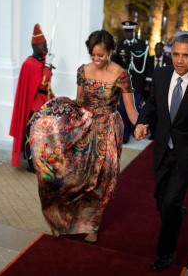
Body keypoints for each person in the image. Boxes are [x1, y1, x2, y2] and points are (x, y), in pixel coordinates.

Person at [29, 29, 139, 244]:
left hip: (108, 129)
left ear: (111, 51)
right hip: (84, 126)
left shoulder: (121, 74)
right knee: (74, 175)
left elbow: (131, 110)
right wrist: (56, 117)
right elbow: (79, 101)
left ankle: (92, 225)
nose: (96, 60)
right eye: (93, 55)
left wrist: (142, 126)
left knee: (102, 178)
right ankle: (66, 218)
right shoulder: (82, 71)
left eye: (101, 55)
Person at [134, 34, 188, 271]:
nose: (179, 60)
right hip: (162, 150)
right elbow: (152, 104)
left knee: (171, 202)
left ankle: (166, 251)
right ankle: (176, 213)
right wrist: (143, 122)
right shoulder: (161, 75)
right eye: (176, 54)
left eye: (185, 55)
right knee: (162, 202)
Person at [9, 24, 54, 172]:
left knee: (44, 135)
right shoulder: (30, 64)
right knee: (32, 135)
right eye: (43, 45)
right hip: (34, 106)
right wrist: (47, 67)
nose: (46, 48)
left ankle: (42, 160)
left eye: (46, 45)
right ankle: (31, 162)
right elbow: (42, 84)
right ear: (35, 46)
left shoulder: (40, 61)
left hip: (44, 104)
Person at [111, 21, 149, 143]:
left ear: (133, 31)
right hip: (122, 84)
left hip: (137, 83)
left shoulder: (142, 45)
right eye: (125, 31)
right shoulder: (120, 45)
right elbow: (114, 63)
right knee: (123, 110)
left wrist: (148, 82)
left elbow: (146, 64)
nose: (127, 33)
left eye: (129, 31)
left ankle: (129, 131)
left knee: (134, 108)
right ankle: (125, 134)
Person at [144, 42, 173, 139]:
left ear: (163, 50)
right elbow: (146, 74)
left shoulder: (168, 61)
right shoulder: (149, 60)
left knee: (161, 114)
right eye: (156, 49)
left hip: (163, 91)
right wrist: (147, 86)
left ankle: (161, 133)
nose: (157, 51)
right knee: (151, 113)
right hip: (151, 91)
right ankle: (152, 134)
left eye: (159, 49)